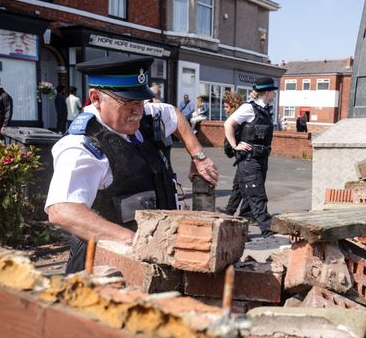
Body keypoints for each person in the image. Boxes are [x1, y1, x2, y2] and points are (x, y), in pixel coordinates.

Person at [45, 57, 218, 274]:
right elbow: (62, 211)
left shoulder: (144, 116)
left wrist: (198, 156)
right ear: (96, 98)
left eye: (141, 101)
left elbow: (173, 114)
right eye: (128, 103)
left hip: (152, 259)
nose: (137, 111)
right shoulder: (81, 146)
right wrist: (135, 241)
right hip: (104, 266)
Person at [224, 77, 278, 237]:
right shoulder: (249, 108)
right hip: (249, 159)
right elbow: (228, 124)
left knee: (244, 195)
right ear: (267, 92)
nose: (274, 94)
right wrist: (235, 145)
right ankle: (268, 230)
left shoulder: (266, 109)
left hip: (261, 158)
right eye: (273, 92)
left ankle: (238, 232)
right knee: (257, 195)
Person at [220, 91, 251, 219]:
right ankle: (230, 211)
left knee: (245, 187)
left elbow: (229, 142)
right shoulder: (241, 117)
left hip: (245, 157)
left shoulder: (237, 120)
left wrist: (232, 148)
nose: (225, 110)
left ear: (233, 106)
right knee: (238, 186)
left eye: (227, 107)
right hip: (243, 157)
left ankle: (246, 215)